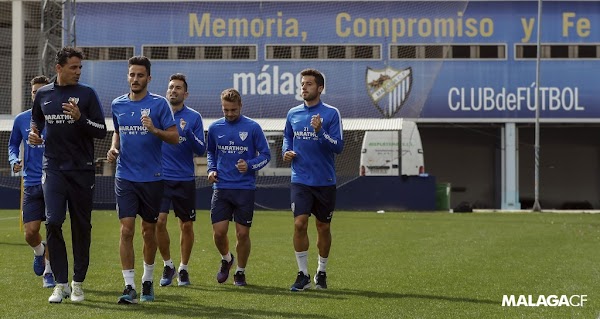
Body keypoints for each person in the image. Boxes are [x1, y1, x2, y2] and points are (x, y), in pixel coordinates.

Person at [28, 47, 108, 303]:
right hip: (53, 170)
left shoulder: (86, 94)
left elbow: (101, 130)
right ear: (58, 68)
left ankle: (77, 283)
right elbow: (36, 122)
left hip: (82, 170)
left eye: (80, 67)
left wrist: (80, 118)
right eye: (73, 67)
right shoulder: (43, 94)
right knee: (52, 222)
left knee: (81, 227)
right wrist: (34, 135)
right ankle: (60, 284)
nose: (78, 72)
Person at [107, 56, 178, 304]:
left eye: (140, 75)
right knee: (126, 230)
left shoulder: (159, 105)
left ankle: (148, 280)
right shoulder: (117, 104)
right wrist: (113, 148)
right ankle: (129, 287)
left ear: (149, 78)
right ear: (127, 77)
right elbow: (117, 132)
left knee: (149, 231)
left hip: (152, 179)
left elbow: (174, 137)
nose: (135, 79)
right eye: (131, 75)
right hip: (125, 176)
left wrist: (155, 130)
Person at [282, 68, 344, 291]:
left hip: (325, 180)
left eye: (309, 84)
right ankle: (303, 274)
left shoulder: (331, 114)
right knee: (299, 224)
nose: (304, 87)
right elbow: (287, 138)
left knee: (323, 227)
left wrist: (320, 132)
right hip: (300, 179)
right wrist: (286, 152)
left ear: (320, 88)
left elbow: (338, 146)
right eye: (302, 84)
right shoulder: (293, 114)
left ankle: (322, 271)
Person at [206, 88, 270, 286]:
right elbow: (210, 153)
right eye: (226, 110)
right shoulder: (215, 128)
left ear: (241, 106)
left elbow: (265, 155)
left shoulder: (253, 127)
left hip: (245, 188)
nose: (230, 114)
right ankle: (227, 259)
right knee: (219, 232)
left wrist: (249, 165)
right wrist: (211, 169)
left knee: (242, 234)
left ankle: (240, 272)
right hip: (222, 188)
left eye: (233, 110)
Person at [157, 73, 206, 287]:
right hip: (159, 178)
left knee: (186, 226)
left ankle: (184, 269)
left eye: (178, 88)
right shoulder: (158, 113)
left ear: (185, 93)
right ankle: (168, 265)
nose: (173, 91)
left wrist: (186, 131)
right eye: (170, 87)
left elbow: (201, 148)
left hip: (184, 178)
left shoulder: (193, 117)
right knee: (158, 221)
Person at [9, 75, 55, 289]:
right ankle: (39, 251)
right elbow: (13, 145)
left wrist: (44, 140)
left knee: (53, 228)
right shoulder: (21, 120)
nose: (37, 94)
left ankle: (49, 272)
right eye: (34, 91)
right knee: (30, 232)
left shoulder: (56, 119)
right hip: (30, 182)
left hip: (53, 181)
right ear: (32, 93)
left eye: (41, 91)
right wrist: (14, 160)